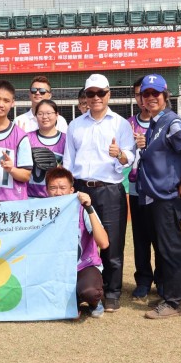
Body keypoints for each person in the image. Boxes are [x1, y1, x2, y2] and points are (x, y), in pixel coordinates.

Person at [63, 74, 135, 312]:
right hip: (82, 189)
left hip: (110, 190)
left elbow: (129, 158)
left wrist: (119, 154)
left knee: (112, 243)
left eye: (100, 93)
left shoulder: (120, 124)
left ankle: (112, 291)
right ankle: (85, 286)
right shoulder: (75, 124)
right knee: (82, 240)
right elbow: (68, 162)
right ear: (85, 96)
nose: (95, 98)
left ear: (108, 94)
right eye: (90, 93)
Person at [135, 74, 181, 319]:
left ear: (165, 96)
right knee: (164, 247)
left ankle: (173, 301)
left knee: (170, 248)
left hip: (167, 197)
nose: (150, 98)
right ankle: (169, 296)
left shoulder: (172, 121)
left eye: (155, 93)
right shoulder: (155, 123)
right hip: (155, 197)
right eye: (146, 94)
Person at [45, 167, 109, 319]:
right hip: (55, 268)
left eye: (62, 188)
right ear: (46, 190)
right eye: (53, 188)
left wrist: (89, 207)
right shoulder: (41, 211)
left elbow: (104, 243)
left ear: (72, 190)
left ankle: (94, 302)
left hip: (83, 265)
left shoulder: (82, 209)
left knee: (90, 292)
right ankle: (73, 300)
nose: (58, 192)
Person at [127, 77, 157, 300]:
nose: (143, 99)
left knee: (161, 238)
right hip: (137, 189)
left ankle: (164, 281)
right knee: (140, 238)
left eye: (146, 94)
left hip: (159, 191)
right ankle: (143, 280)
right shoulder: (127, 124)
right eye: (138, 94)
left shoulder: (166, 122)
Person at [27, 99, 66, 198]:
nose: (45, 117)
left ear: (57, 115)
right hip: (30, 197)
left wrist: (57, 166)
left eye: (49, 113)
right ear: (35, 116)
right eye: (40, 113)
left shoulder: (66, 139)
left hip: (57, 197)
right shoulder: (26, 138)